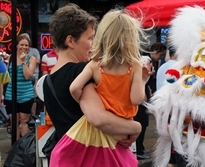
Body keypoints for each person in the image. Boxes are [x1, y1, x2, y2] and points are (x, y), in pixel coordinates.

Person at [42, 4, 146, 166]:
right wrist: (136, 127)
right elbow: (99, 119)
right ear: (70, 41)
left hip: (70, 159)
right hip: (96, 158)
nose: (93, 44)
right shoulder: (82, 72)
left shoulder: (47, 82)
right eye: (90, 38)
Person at [69, 10, 152, 140]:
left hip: (102, 130)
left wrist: (83, 104)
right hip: (124, 127)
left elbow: (74, 88)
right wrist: (143, 79)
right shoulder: (134, 65)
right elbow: (136, 99)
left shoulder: (95, 65)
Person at [4, 33, 36, 140]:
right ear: (17, 45)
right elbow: (7, 75)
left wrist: (23, 62)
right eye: (22, 45)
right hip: (11, 94)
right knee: (14, 122)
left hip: (26, 94)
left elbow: (28, 76)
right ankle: (15, 148)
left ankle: (25, 148)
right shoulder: (11, 57)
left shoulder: (32, 59)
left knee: (24, 120)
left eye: (26, 45)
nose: (24, 47)